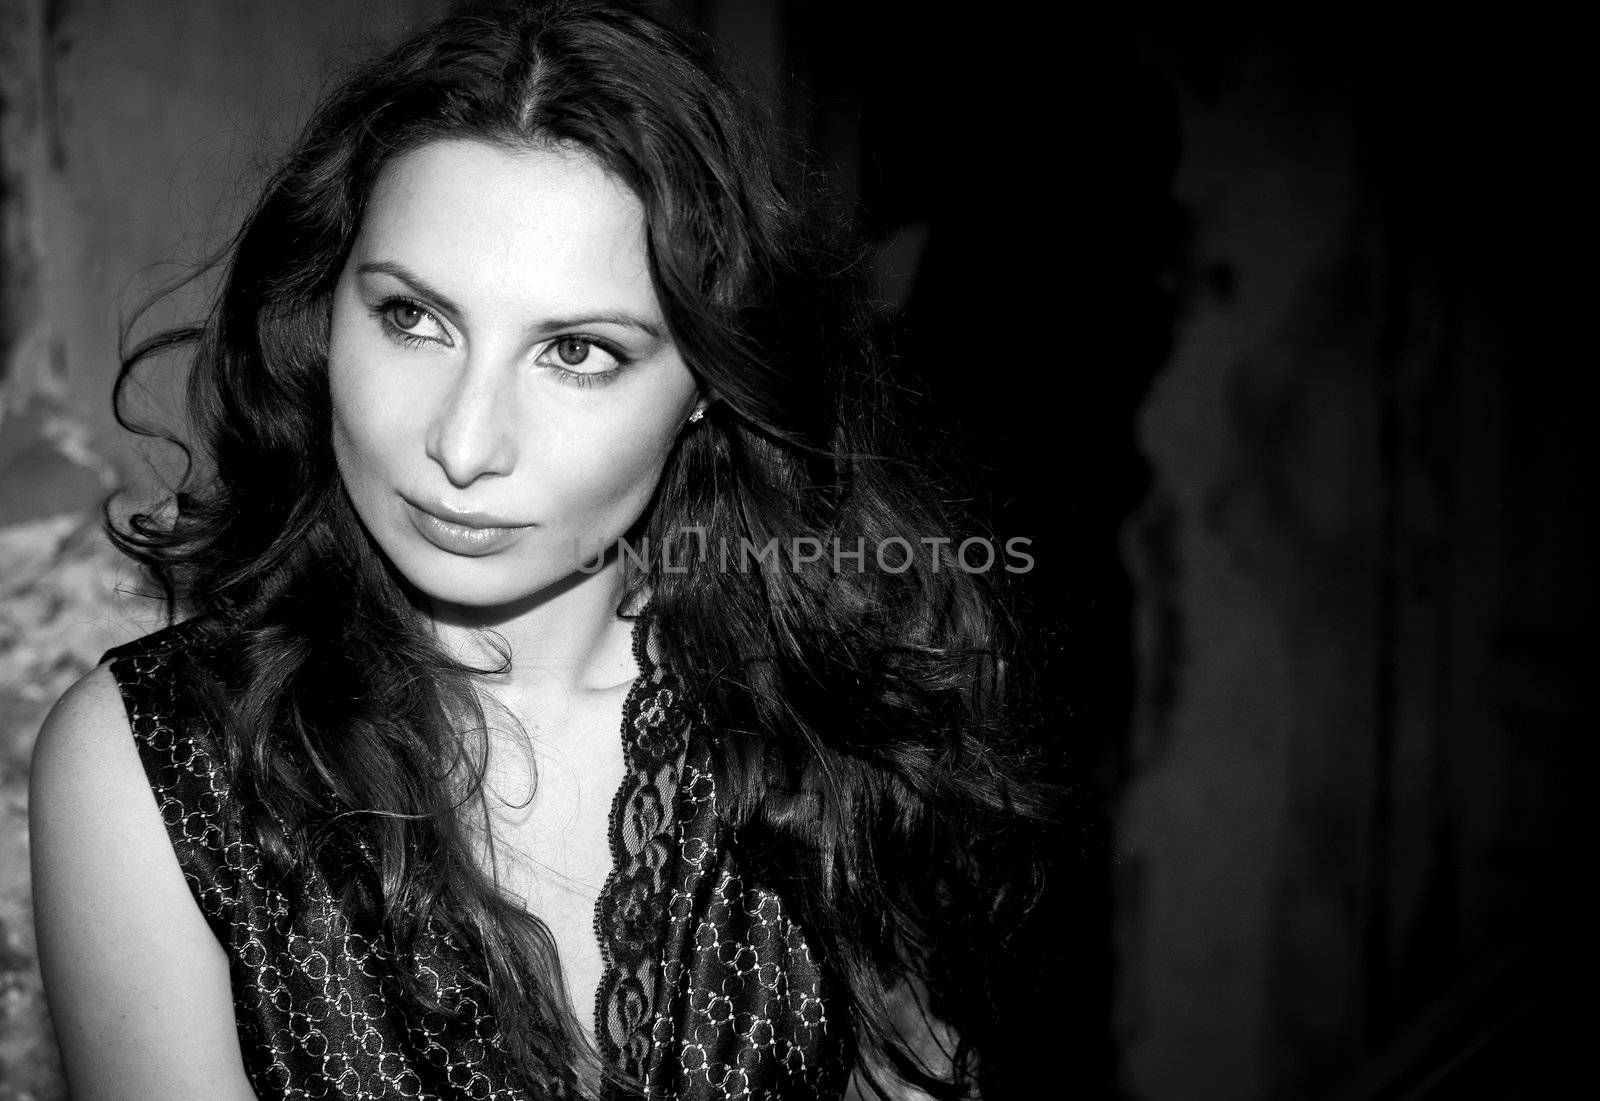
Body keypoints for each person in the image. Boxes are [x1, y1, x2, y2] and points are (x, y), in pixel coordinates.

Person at [29, 1, 1064, 1097]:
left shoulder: (841, 715)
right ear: (321, 309)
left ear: (712, 384)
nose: (462, 446)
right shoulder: (152, 765)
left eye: (575, 351)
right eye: (412, 320)